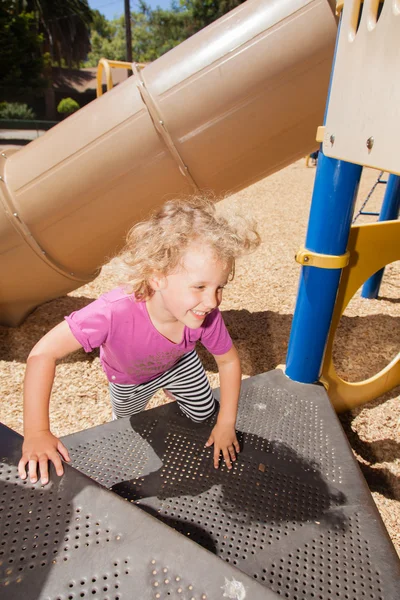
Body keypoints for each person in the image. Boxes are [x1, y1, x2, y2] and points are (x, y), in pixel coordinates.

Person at [19, 197, 260, 485]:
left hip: (180, 364)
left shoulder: (206, 315)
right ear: (157, 277)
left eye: (219, 287)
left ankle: (173, 391)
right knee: (128, 428)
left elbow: (228, 360)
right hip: (129, 380)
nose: (212, 301)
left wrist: (226, 424)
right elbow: (42, 354)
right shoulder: (112, 312)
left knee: (206, 413)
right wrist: (36, 432)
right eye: (199, 287)